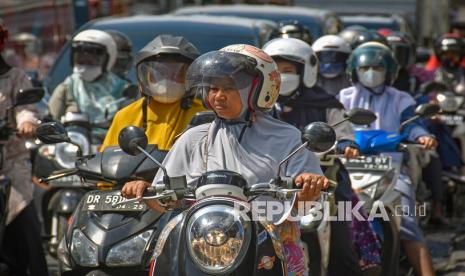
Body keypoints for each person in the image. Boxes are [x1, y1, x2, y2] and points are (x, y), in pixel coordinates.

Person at [122, 44, 329, 275]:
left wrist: (309, 187)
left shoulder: (288, 138)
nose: (218, 96)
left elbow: (304, 203)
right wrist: (145, 190)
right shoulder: (193, 138)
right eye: (212, 88)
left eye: (229, 88)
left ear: (257, 89)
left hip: (268, 250)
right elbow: (165, 200)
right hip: (202, 246)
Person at [263, 37, 381, 275]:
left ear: (305, 71)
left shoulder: (326, 103)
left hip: (324, 181)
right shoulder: (260, 106)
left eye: (288, 70)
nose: (283, 76)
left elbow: (343, 134)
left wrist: (346, 145)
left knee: (341, 248)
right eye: (277, 70)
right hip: (268, 184)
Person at [338, 42, 437, 276]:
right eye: (365, 68)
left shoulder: (401, 99)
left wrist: (423, 137)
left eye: (377, 68)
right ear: (354, 70)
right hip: (349, 169)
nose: (371, 73)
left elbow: (413, 125)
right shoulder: (343, 97)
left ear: (389, 70)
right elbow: (333, 127)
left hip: (391, 169)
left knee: (409, 225)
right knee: (330, 219)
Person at [0, 22, 48, 276]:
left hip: (10, 164)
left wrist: (27, 122)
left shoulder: (15, 76)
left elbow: (26, 106)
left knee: (24, 214)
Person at [100, 34, 205, 151]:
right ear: (146, 76)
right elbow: (108, 159)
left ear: (190, 77)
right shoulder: (126, 115)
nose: (167, 79)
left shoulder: (203, 115)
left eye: (177, 73)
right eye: (160, 72)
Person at [48, 29, 129, 124]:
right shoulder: (67, 87)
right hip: (74, 137)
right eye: (81, 60)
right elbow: (51, 120)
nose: (85, 65)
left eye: (91, 61)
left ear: (108, 59)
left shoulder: (123, 89)